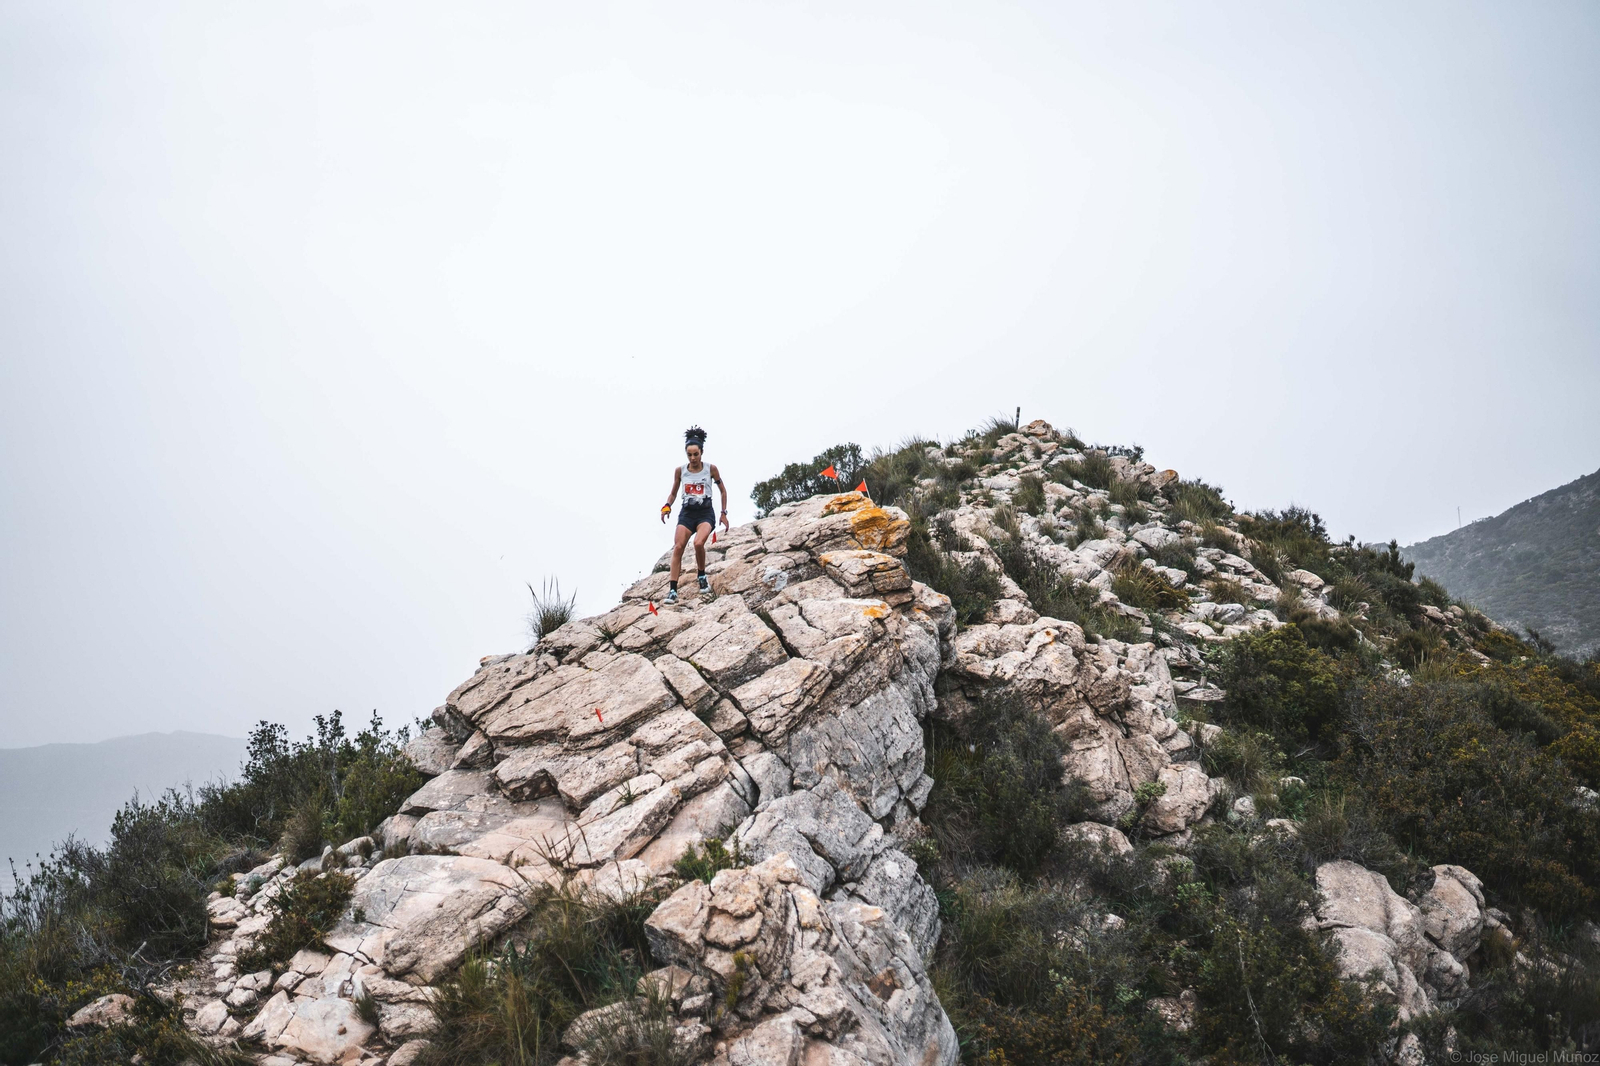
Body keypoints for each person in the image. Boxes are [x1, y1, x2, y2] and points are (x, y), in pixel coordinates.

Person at [660, 426, 729, 604]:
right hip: (687, 513)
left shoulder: (711, 469)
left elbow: (722, 490)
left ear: (701, 452)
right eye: (689, 455)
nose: (693, 458)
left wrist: (723, 513)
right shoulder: (680, 471)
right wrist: (667, 505)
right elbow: (673, 493)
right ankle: (673, 591)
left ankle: (701, 576)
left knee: (699, 543)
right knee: (678, 547)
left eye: (696, 454)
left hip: (705, 513)